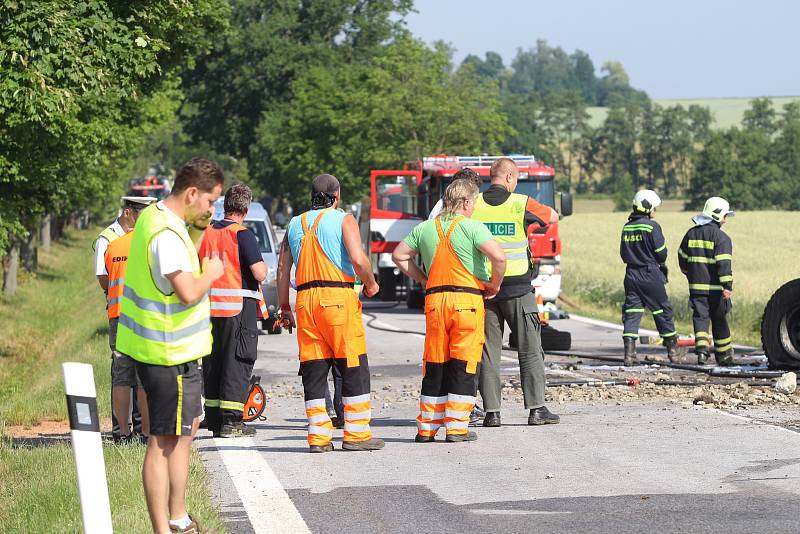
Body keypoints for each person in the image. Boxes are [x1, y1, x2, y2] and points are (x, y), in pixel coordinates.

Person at [117, 157, 225, 534]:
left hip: (167, 350)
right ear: (192, 193)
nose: (212, 210)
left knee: (183, 431)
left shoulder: (155, 217)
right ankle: (166, 527)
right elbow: (186, 291)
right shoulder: (167, 234)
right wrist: (211, 273)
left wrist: (197, 229)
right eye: (210, 201)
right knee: (162, 441)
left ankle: (178, 520)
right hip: (167, 354)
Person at [277, 174, 384, 453]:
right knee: (352, 365)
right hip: (337, 299)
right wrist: (371, 284)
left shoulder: (294, 224)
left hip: (305, 301)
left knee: (314, 368)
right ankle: (357, 435)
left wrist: (285, 307)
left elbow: (282, 270)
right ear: (336, 196)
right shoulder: (343, 219)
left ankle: (318, 438)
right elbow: (359, 259)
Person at [393, 179, 505, 442]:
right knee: (463, 363)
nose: (474, 207)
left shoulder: (425, 229)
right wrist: (494, 285)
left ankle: (427, 428)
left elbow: (399, 255)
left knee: (435, 362)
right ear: (466, 202)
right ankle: (456, 428)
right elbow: (499, 258)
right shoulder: (472, 227)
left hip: (435, 301)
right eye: (474, 203)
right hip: (466, 302)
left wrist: (422, 279)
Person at [470, 157, 560, 428]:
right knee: (530, 349)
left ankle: (492, 412)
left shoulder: (473, 206)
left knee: (487, 353)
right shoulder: (520, 203)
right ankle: (536, 409)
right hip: (519, 290)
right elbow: (553, 217)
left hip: (485, 291)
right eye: (517, 179)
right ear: (509, 177)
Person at [198, 184, 268, 438]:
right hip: (237, 309)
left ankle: (215, 418)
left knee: (213, 362)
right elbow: (259, 272)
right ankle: (232, 422)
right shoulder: (242, 234)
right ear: (246, 209)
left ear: (225, 206)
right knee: (237, 362)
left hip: (208, 308)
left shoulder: (206, 233)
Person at [95, 196, 154, 440]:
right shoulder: (149, 245)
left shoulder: (113, 246)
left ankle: (121, 433)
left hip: (118, 316)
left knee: (121, 375)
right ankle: (145, 433)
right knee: (143, 378)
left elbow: (105, 278)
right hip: (143, 318)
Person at [619, 190, 680, 365]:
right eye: (655, 208)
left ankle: (629, 354)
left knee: (632, 312)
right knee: (662, 310)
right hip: (650, 274)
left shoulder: (627, 227)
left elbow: (624, 254)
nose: (655, 211)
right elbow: (662, 254)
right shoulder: (652, 227)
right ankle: (673, 351)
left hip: (631, 275)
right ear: (647, 208)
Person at [678, 197, 735, 366]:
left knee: (700, 319)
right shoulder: (722, 238)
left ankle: (702, 353)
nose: (726, 220)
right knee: (719, 320)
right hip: (716, 290)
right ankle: (724, 356)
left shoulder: (691, 233)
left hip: (696, 288)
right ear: (717, 216)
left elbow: (682, 258)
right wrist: (727, 286)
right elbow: (724, 265)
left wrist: (690, 273)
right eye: (725, 216)